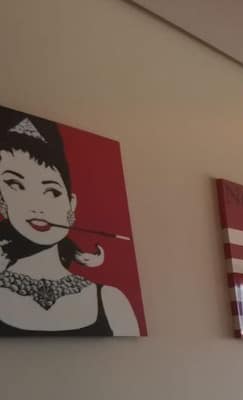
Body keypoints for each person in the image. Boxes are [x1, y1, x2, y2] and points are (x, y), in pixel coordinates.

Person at [0, 109, 139, 336]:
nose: (37, 205)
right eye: (16, 185)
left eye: (51, 191)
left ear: (71, 204)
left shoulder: (111, 301)